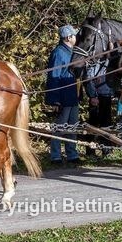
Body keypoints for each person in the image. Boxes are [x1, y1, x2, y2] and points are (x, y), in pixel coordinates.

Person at [46, 24, 81, 166]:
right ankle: (55, 155)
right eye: (74, 35)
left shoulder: (73, 51)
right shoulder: (58, 53)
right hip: (63, 96)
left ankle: (72, 154)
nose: (76, 37)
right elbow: (54, 76)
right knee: (60, 127)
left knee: (72, 126)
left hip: (73, 96)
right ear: (68, 37)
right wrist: (54, 100)